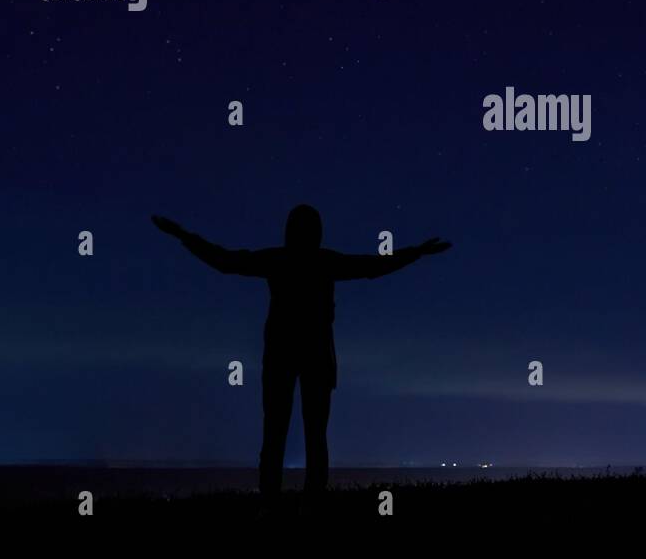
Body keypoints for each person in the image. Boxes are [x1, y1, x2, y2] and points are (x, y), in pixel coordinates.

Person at [151, 205, 450, 502]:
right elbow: (371, 267)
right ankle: (306, 503)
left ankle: (275, 502)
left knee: (279, 432)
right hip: (312, 353)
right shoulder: (321, 261)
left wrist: (183, 236)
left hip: (288, 352)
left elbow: (226, 260)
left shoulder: (281, 260)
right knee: (310, 434)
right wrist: (415, 252)